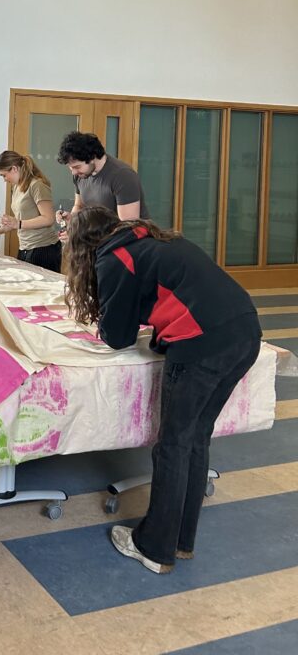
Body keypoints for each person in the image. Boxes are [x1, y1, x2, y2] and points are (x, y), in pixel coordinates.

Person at [65, 206, 262, 574]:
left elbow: (118, 337)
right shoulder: (152, 240)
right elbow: (181, 296)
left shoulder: (113, 258)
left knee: (173, 445)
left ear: (81, 245)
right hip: (246, 332)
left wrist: (108, 318)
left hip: (201, 344)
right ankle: (181, 541)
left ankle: (154, 548)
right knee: (195, 438)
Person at [0, 150, 61, 272]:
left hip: (43, 248)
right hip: (25, 247)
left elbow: (48, 218)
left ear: (14, 169)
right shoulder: (17, 187)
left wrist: (18, 223)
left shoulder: (37, 185)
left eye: (4, 175)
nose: (4, 179)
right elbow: (18, 221)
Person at [57, 131, 148, 222]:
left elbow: (128, 225)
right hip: (96, 230)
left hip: (125, 230)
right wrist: (72, 221)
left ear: (92, 158)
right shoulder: (80, 175)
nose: (73, 172)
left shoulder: (123, 176)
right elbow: (79, 206)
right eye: (70, 168)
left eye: (77, 167)